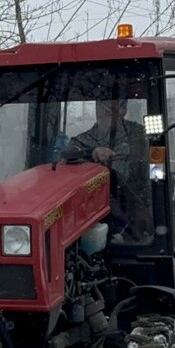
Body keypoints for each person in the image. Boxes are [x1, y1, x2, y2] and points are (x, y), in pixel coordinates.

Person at [66, 99, 152, 242]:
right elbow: (65, 159)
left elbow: (151, 169)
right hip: (91, 213)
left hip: (134, 210)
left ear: (123, 110)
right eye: (100, 105)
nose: (104, 110)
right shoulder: (82, 141)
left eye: (110, 106)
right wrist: (91, 153)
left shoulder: (138, 134)